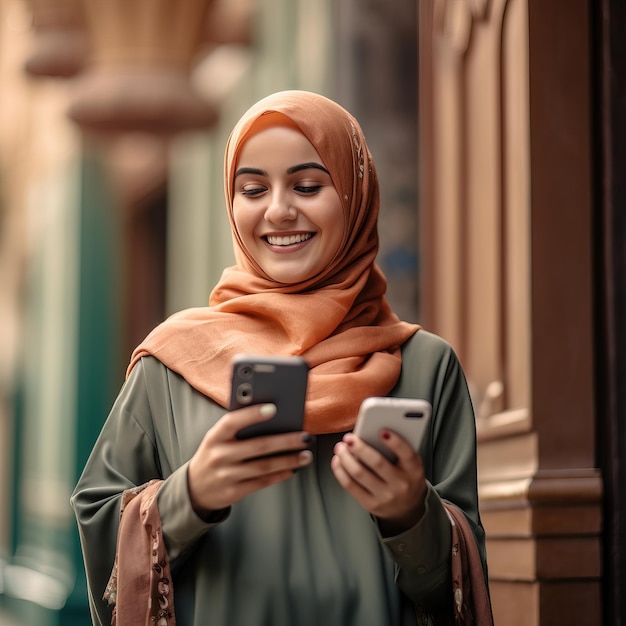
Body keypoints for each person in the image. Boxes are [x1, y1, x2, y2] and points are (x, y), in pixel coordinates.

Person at [71, 90, 492, 626]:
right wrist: (191, 494)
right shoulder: (170, 363)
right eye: (252, 189)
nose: (278, 209)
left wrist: (412, 513)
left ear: (355, 195)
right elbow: (100, 529)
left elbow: (463, 578)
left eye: (308, 185)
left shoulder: (425, 365)